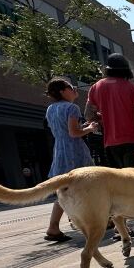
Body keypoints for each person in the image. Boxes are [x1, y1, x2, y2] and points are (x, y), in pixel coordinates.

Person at [85, 53, 134, 239]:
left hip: (110, 144)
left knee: (116, 189)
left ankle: (130, 226)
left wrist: (103, 118)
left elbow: (88, 114)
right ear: (126, 69)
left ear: (108, 69)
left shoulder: (96, 87)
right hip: (132, 142)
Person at [44, 77, 99, 242]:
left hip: (60, 151)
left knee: (63, 191)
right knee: (88, 187)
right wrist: (89, 128)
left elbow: (66, 131)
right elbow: (74, 133)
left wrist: (82, 128)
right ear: (62, 91)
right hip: (75, 152)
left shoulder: (51, 109)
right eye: (70, 86)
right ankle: (95, 221)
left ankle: (53, 227)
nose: (74, 89)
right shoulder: (72, 108)